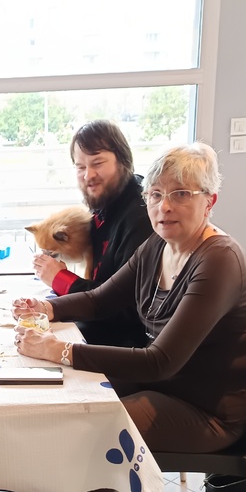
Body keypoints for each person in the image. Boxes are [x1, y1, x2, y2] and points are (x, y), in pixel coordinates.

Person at [13, 142, 246, 492]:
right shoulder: (159, 246)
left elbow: (160, 360)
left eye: (181, 194)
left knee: (85, 430)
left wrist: (62, 350)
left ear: (210, 201)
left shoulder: (218, 260)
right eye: (156, 194)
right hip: (168, 385)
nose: (165, 206)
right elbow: (99, 300)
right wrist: (48, 308)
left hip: (207, 410)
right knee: (68, 402)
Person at [32, 120, 153, 347]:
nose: (88, 175)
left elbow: (125, 308)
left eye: (97, 163)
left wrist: (62, 280)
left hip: (121, 345)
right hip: (98, 330)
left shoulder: (141, 216)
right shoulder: (106, 204)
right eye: (80, 167)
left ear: (123, 161)